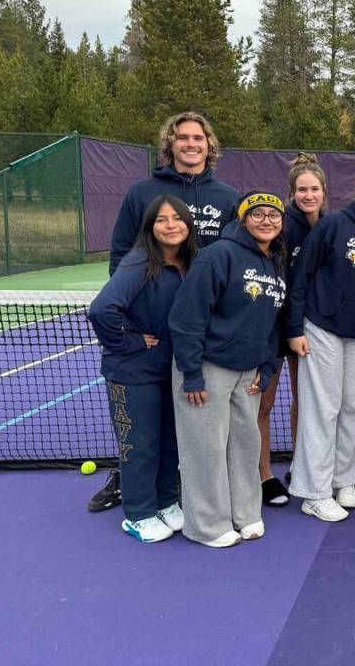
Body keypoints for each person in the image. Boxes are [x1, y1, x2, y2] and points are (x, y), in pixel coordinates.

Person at [90, 111, 239, 514]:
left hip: (200, 333)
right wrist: (133, 317)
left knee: (183, 424)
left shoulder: (227, 197)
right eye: (182, 137)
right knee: (142, 428)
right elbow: (122, 253)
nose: (191, 144)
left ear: (209, 145)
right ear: (169, 144)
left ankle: (178, 494)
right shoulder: (142, 192)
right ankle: (132, 490)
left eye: (198, 138)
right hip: (149, 334)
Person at [168, 191, 287, 547]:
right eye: (258, 214)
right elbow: (186, 316)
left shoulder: (275, 261)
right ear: (242, 218)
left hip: (248, 372)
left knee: (245, 445)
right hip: (207, 368)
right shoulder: (217, 255)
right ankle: (206, 525)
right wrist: (191, 373)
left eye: (273, 215)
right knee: (205, 448)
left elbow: (271, 322)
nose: (267, 220)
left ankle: (246, 514)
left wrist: (266, 368)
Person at [286, 164, 355, 523]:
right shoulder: (332, 225)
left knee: (354, 408)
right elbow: (301, 276)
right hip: (321, 327)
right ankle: (314, 492)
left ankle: (344, 480)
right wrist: (295, 329)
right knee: (323, 409)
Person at [88, 195, 197, 542]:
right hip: (132, 373)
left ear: (187, 224)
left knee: (169, 442)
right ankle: (138, 513)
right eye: (161, 219)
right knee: (140, 444)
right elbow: (101, 309)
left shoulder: (189, 262)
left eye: (176, 218)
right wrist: (130, 343)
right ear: (150, 227)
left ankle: (166, 502)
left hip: (170, 370)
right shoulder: (139, 262)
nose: (170, 225)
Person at [257, 153, 327, 508]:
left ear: (324, 191)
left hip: (307, 326)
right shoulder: (279, 225)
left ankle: (302, 465)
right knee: (264, 403)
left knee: (308, 401)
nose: (308, 195)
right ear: (292, 192)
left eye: (314, 188)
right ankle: (264, 475)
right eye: (302, 189)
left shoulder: (330, 225)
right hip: (272, 326)